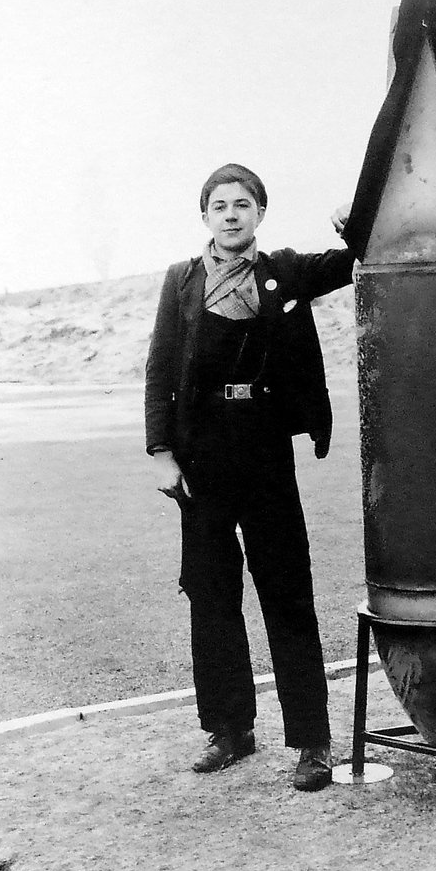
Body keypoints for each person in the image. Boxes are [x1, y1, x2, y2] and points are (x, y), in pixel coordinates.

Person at [145, 163, 354, 791]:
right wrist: (161, 451)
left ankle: (312, 743)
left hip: (263, 450)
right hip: (201, 455)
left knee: (287, 592)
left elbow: (355, 260)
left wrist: (356, 224)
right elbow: (159, 370)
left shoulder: (284, 270)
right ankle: (230, 731)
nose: (231, 214)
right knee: (210, 595)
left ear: (260, 213)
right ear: (205, 216)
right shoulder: (181, 282)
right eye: (219, 205)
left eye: (243, 204)